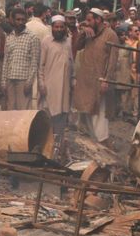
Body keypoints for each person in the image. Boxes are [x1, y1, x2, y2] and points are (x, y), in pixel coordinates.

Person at [73, 9, 118, 142]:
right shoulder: (88, 33)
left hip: (100, 80)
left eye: (89, 20)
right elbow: (78, 47)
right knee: (85, 109)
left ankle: (102, 140)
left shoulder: (110, 35)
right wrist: (83, 32)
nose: (87, 22)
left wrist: (106, 79)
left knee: (99, 112)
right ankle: (90, 139)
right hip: (85, 78)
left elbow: (112, 60)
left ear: (98, 20)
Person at [39, 15, 73, 151]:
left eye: (61, 27)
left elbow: (71, 62)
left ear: (65, 28)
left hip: (65, 87)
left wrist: (73, 79)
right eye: (56, 27)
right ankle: (45, 145)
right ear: (52, 28)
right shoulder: (46, 42)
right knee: (49, 115)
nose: (59, 29)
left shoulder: (68, 42)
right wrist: (41, 83)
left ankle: (57, 147)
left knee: (62, 116)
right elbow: (40, 65)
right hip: (50, 86)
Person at [1, 8, 40, 110]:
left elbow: (34, 62)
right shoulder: (9, 37)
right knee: (10, 110)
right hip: (10, 78)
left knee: (23, 110)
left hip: (23, 80)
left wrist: (29, 82)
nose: (20, 22)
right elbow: (6, 60)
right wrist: (3, 82)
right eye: (18, 19)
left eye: (23, 20)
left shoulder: (32, 37)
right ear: (13, 20)